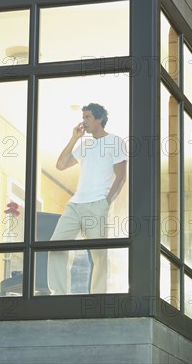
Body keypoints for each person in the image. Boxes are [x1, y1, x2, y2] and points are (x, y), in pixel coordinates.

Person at [48, 103, 127, 295]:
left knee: (99, 254)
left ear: (100, 119)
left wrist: (106, 203)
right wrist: (74, 138)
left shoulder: (115, 142)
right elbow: (60, 165)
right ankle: (59, 296)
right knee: (56, 245)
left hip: (97, 204)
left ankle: (99, 297)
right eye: (83, 117)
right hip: (75, 205)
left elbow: (121, 176)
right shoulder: (85, 145)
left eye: (88, 117)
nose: (84, 121)